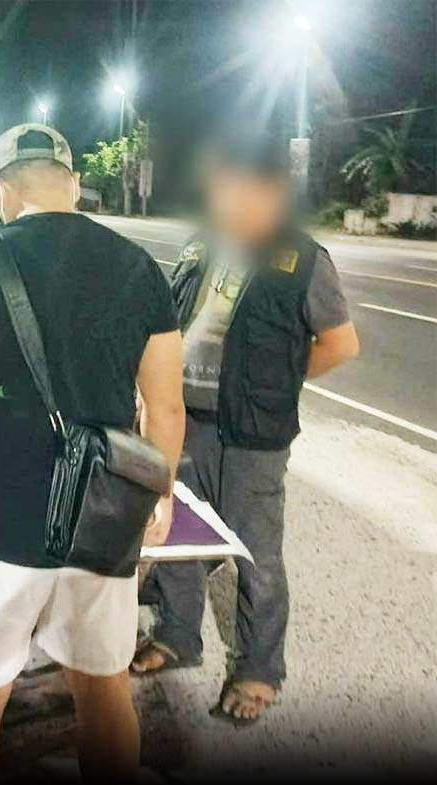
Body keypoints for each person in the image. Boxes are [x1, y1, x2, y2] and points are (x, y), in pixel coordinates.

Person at [0, 124, 186, 781]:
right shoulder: (138, 268)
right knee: (104, 695)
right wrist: (157, 495)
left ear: (0, 189)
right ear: (74, 183)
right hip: (101, 517)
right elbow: (165, 407)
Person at [133, 131, 360, 724]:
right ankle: (178, 636)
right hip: (185, 420)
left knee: (256, 554)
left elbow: (341, 343)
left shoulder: (303, 260)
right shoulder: (200, 245)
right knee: (178, 537)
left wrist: (276, 385)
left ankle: (259, 669)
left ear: (272, 192)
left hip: (252, 435)